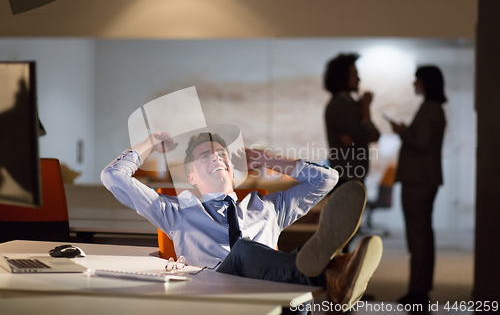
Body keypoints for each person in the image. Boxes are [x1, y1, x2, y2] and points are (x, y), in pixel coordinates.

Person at [101, 130, 383, 308]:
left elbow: (327, 179)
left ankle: (327, 269)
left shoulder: (268, 208)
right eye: (205, 156)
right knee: (243, 250)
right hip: (215, 298)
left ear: (232, 170)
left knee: (297, 256)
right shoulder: (175, 212)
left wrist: (266, 158)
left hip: (274, 296)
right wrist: (151, 141)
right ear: (191, 177)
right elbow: (113, 176)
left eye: (221, 154)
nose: (217, 157)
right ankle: (332, 272)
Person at [389, 66, 447, 307]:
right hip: (424, 178)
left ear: (425, 83)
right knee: (423, 234)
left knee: (419, 235)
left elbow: (421, 144)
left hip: (419, 180)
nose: (414, 83)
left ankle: (418, 290)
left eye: (417, 80)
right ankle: (420, 288)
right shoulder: (434, 109)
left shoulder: (429, 109)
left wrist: (403, 132)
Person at [324, 53, 380, 186]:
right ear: (342, 77)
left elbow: (375, 135)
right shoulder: (338, 106)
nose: (358, 79)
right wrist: (365, 108)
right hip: (345, 176)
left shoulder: (352, 105)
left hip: (354, 175)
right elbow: (365, 134)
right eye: (354, 74)